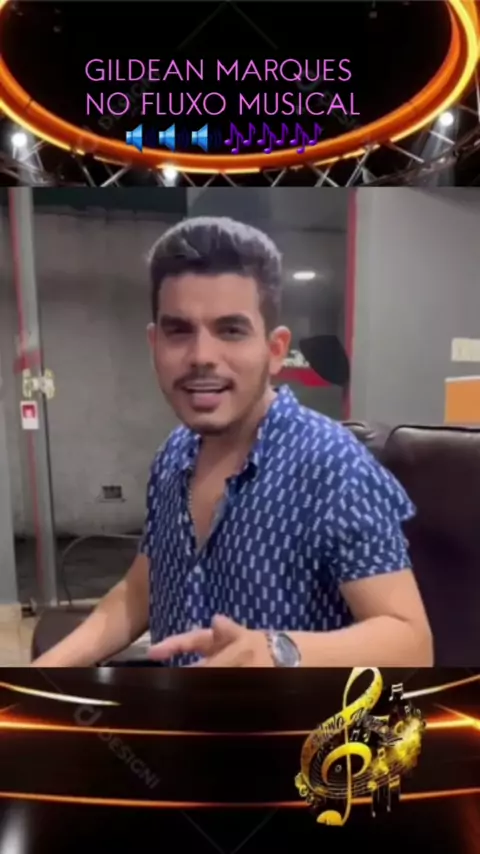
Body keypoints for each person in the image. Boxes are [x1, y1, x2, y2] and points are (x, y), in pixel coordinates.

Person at [32, 216, 433, 668]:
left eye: (231, 330)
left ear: (275, 350)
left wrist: (279, 651)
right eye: (179, 330)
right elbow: (140, 590)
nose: (202, 356)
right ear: (154, 344)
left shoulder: (333, 467)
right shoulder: (174, 455)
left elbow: (411, 642)